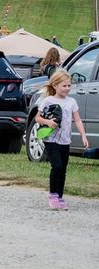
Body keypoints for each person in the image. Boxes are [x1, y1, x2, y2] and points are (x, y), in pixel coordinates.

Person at [34, 70, 89, 210]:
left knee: (63, 169)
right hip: (51, 140)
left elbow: (77, 120)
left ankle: (59, 196)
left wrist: (83, 135)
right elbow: (37, 118)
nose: (67, 88)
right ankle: (52, 195)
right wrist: (48, 122)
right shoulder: (48, 101)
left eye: (69, 85)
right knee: (57, 166)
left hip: (65, 141)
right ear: (55, 85)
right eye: (64, 86)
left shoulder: (72, 102)